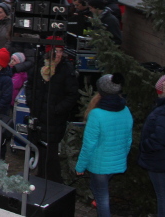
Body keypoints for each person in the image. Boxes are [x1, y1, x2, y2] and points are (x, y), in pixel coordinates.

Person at [75, 74, 133, 217]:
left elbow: (89, 145)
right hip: (116, 163)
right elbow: (128, 140)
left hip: (100, 165)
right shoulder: (125, 110)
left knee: (102, 198)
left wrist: (80, 166)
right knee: (98, 189)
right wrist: (121, 157)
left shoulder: (96, 114)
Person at [26, 44, 79, 184]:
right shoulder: (39, 65)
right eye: (56, 51)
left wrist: (56, 109)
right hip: (38, 115)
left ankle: (53, 181)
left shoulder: (66, 69)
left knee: (50, 152)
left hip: (53, 119)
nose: (59, 55)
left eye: (61, 51)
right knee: (40, 149)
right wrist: (32, 102)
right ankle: (42, 177)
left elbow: (72, 95)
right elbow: (30, 84)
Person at [139, 74, 165, 217]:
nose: (164, 84)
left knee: (164, 197)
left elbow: (163, 138)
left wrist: (145, 146)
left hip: (161, 162)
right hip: (164, 160)